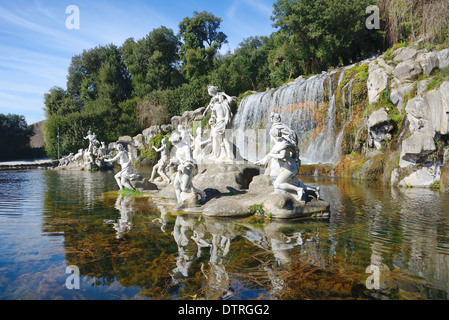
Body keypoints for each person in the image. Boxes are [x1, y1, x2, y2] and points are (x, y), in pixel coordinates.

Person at [203, 85, 234, 160]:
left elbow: (212, 118)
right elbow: (231, 99)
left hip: (219, 123)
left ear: (214, 102)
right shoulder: (225, 104)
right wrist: (224, 94)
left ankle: (215, 155)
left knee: (215, 138)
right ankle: (229, 156)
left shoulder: (215, 107)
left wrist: (211, 121)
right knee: (225, 140)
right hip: (226, 122)